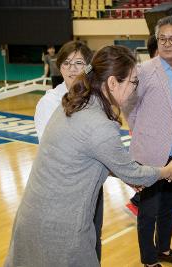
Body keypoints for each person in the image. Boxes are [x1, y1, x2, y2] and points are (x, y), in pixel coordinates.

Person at [4, 45, 172, 267]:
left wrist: (124, 174)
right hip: (61, 228)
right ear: (112, 83)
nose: (135, 89)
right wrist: (168, 171)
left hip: (35, 217)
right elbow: (133, 171)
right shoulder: (99, 123)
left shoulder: (75, 104)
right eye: (133, 82)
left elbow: (86, 157)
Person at [124, 16, 172, 267]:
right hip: (150, 154)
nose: (166, 43)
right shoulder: (144, 71)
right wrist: (142, 133)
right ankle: (149, 260)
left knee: (169, 208)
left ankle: (164, 248)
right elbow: (129, 105)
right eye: (162, 38)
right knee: (148, 212)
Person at [35, 40, 111, 261]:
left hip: (92, 187)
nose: (72, 68)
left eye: (79, 62)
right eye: (66, 63)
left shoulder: (97, 101)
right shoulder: (49, 103)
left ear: (88, 67)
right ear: (60, 67)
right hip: (61, 190)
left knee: (93, 240)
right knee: (63, 247)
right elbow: (52, 151)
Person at [127, 34, 159, 216]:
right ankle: (137, 204)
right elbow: (129, 104)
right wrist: (137, 128)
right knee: (149, 177)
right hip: (147, 139)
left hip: (160, 138)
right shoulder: (142, 74)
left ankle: (139, 203)